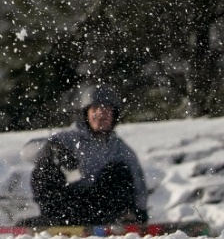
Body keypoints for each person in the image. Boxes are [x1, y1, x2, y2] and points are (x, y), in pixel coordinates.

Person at [26, 85, 151, 226]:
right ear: (85, 114)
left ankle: (120, 219)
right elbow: (26, 152)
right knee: (44, 169)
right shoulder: (68, 139)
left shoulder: (121, 149)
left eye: (107, 110)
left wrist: (140, 212)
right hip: (66, 207)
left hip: (101, 210)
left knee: (120, 171)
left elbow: (138, 184)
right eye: (95, 109)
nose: (101, 114)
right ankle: (54, 221)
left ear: (114, 116)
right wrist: (51, 149)